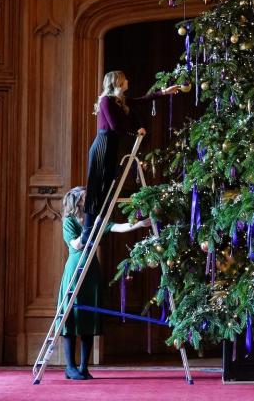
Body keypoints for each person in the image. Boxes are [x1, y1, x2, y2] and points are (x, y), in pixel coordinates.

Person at [58, 186, 150, 380]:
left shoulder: (95, 220)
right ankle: (70, 367)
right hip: (75, 271)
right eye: (85, 197)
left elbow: (117, 227)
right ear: (78, 201)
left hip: (91, 272)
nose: (90, 200)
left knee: (89, 318)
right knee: (72, 317)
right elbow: (75, 244)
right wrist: (89, 228)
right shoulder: (69, 221)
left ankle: (84, 366)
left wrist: (140, 224)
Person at [81, 70, 179, 247]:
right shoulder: (106, 101)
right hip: (102, 146)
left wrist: (164, 92)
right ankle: (87, 231)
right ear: (118, 82)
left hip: (111, 147)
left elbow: (141, 101)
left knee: (107, 189)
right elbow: (115, 126)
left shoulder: (119, 101)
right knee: (96, 187)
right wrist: (136, 131)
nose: (128, 80)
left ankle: (95, 229)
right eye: (125, 79)